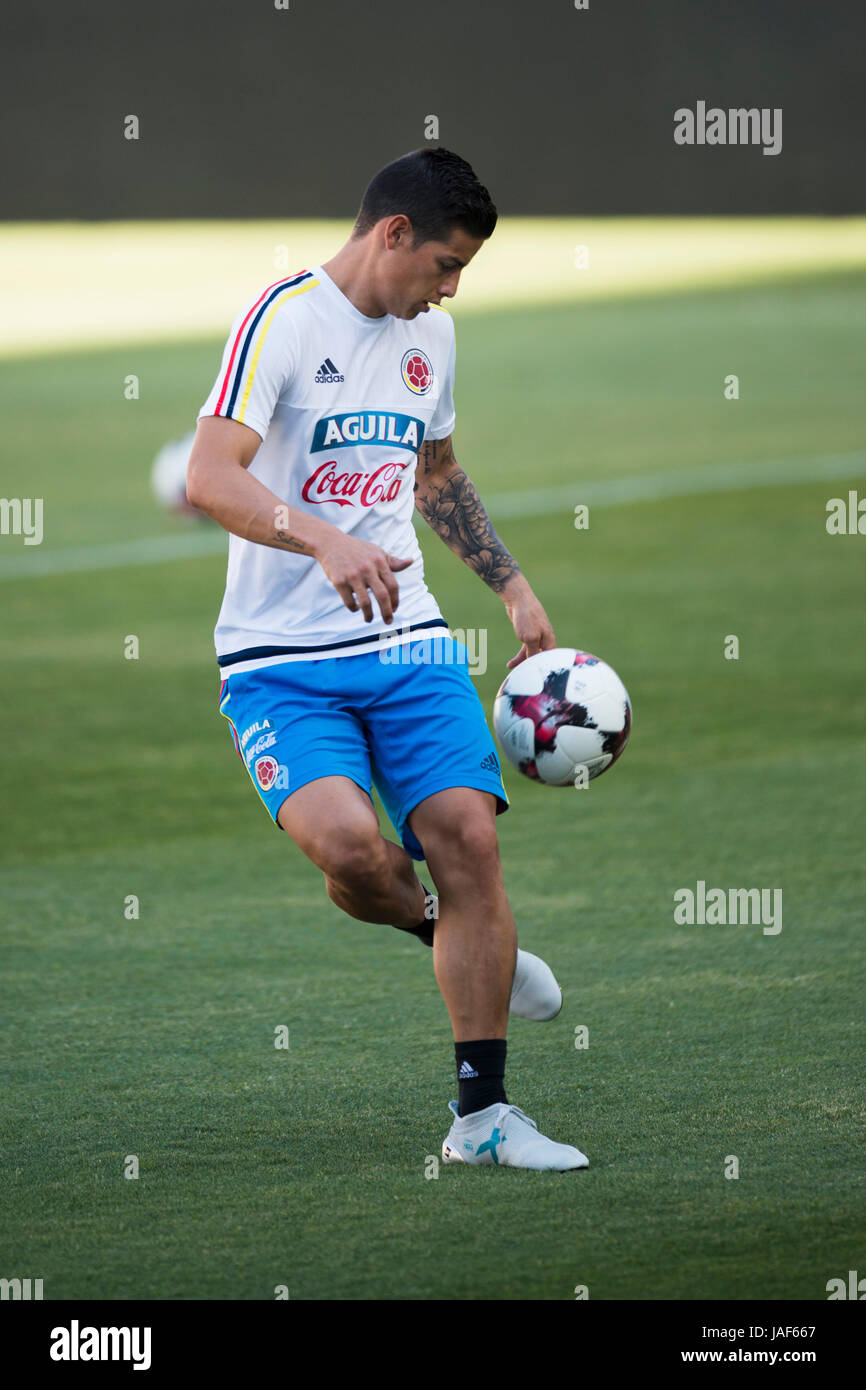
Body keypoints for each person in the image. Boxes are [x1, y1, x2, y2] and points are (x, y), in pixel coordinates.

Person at [187, 147, 588, 1171]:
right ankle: (434, 927)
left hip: (407, 637)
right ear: (392, 234)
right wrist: (321, 537)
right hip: (277, 656)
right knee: (350, 850)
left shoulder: (433, 340)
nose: (450, 289)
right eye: (444, 264)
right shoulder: (282, 317)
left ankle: (482, 1119)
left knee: (468, 841)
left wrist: (508, 584)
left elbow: (436, 472)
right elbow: (206, 477)